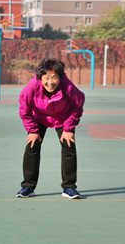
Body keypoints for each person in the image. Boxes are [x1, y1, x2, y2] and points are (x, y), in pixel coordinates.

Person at [16, 58, 85, 200]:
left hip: (62, 117)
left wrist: (68, 128)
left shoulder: (68, 87)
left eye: (55, 77)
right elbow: (24, 109)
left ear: (60, 77)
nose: (50, 82)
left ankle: (69, 187)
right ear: (40, 77)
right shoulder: (32, 87)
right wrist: (33, 130)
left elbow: (77, 105)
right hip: (38, 117)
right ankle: (28, 186)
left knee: (69, 145)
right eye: (47, 78)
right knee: (32, 146)